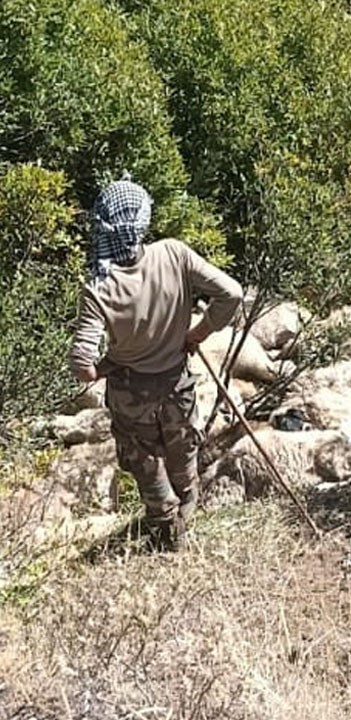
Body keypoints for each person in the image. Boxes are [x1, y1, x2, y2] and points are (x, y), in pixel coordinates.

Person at [68, 175, 243, 551]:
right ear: (143, 219)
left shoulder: (98, 287)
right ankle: (188, 516)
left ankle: (165, 533)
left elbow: (81, 364)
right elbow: (231, 294)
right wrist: (197, 334)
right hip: (177, 382)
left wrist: (102, 369)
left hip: (131, 392)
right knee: (183, 451)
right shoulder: (174, 253)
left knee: (145, 461)